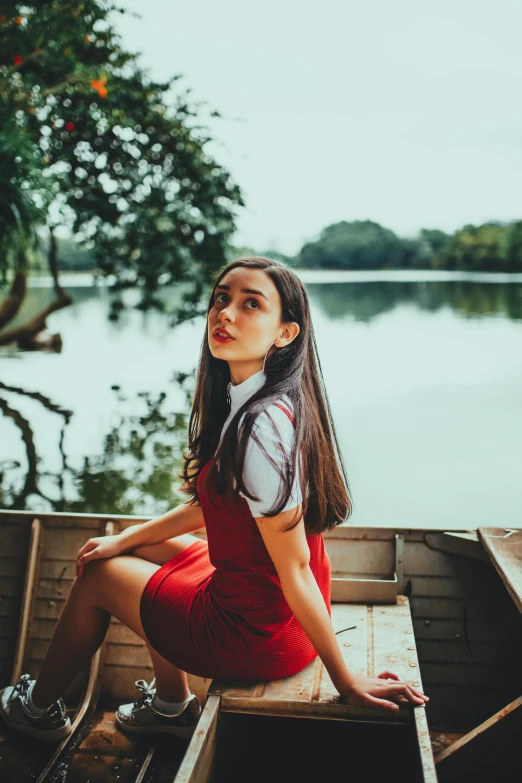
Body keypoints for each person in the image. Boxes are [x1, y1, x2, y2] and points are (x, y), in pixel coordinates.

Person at [0, 256, 428, 743]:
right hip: (271, 613)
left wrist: (345, 681)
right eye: (221, 299)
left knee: (99, 575)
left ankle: (35, 712)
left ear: (284, 334)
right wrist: (124, 540)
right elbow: (217, 505)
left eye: (250, 304)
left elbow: (297, 569)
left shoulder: (261, 428)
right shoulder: (258, 399)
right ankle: (168, 707)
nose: (225, 313)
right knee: (126, 549)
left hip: (254, 636)